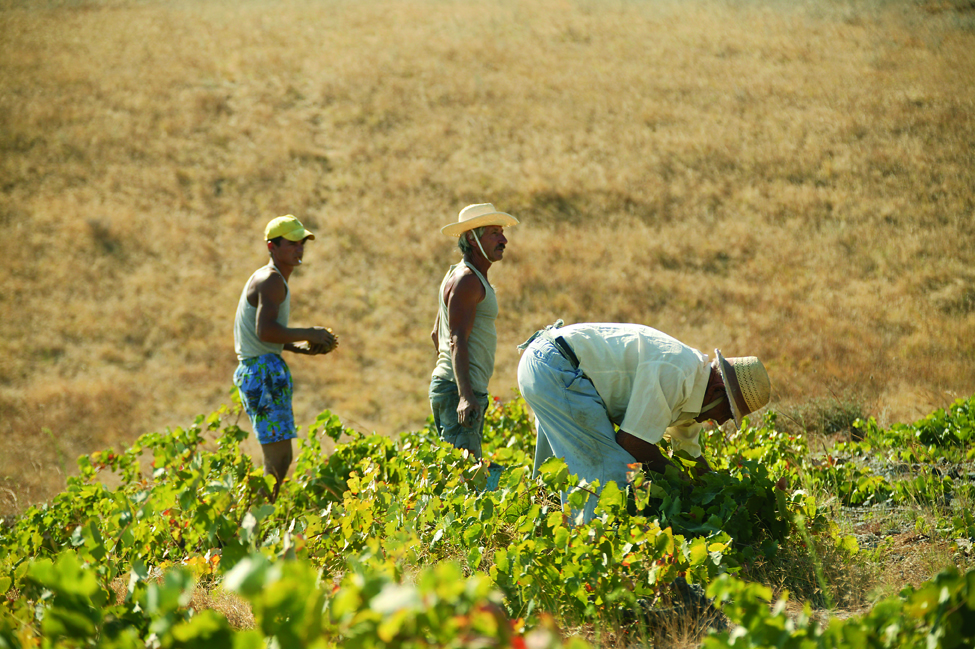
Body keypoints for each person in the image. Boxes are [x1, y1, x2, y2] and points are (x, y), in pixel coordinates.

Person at [517, 322, 770, 523]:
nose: (721, 422)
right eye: (727, 414)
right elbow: (632, 443)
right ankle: (589, 551)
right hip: (555, 366)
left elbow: (689, 454)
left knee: (559, 469)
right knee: (612, 476)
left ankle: (545, 518)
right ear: (716, 393)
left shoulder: (695, 386)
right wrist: (681, 482)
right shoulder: (678, 373)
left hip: (549, 363)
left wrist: (718, 490)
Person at [233, 214, 338, 501]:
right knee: (278, 462)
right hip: (263, 371)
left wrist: (302, 346)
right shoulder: (271, 280)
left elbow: (263, 337)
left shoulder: (270, 279)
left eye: (302, 242)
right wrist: (310, 332)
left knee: (280, 460)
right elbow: (265, 331)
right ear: (272, 246)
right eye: (292, 243)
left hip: (263, 365)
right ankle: (251, 522)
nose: (299, 248)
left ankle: (253, 521)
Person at [429, 203, 519, 459]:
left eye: (501, 232)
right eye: (494, 233)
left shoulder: (456, 275)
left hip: (451, 386)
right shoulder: (468, 280)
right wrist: (465, 394)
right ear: (471, 238)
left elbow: (437, 334)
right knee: (464, 478)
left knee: (459, 472)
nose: (503, 240)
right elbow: (455, 339)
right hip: (459, 390)